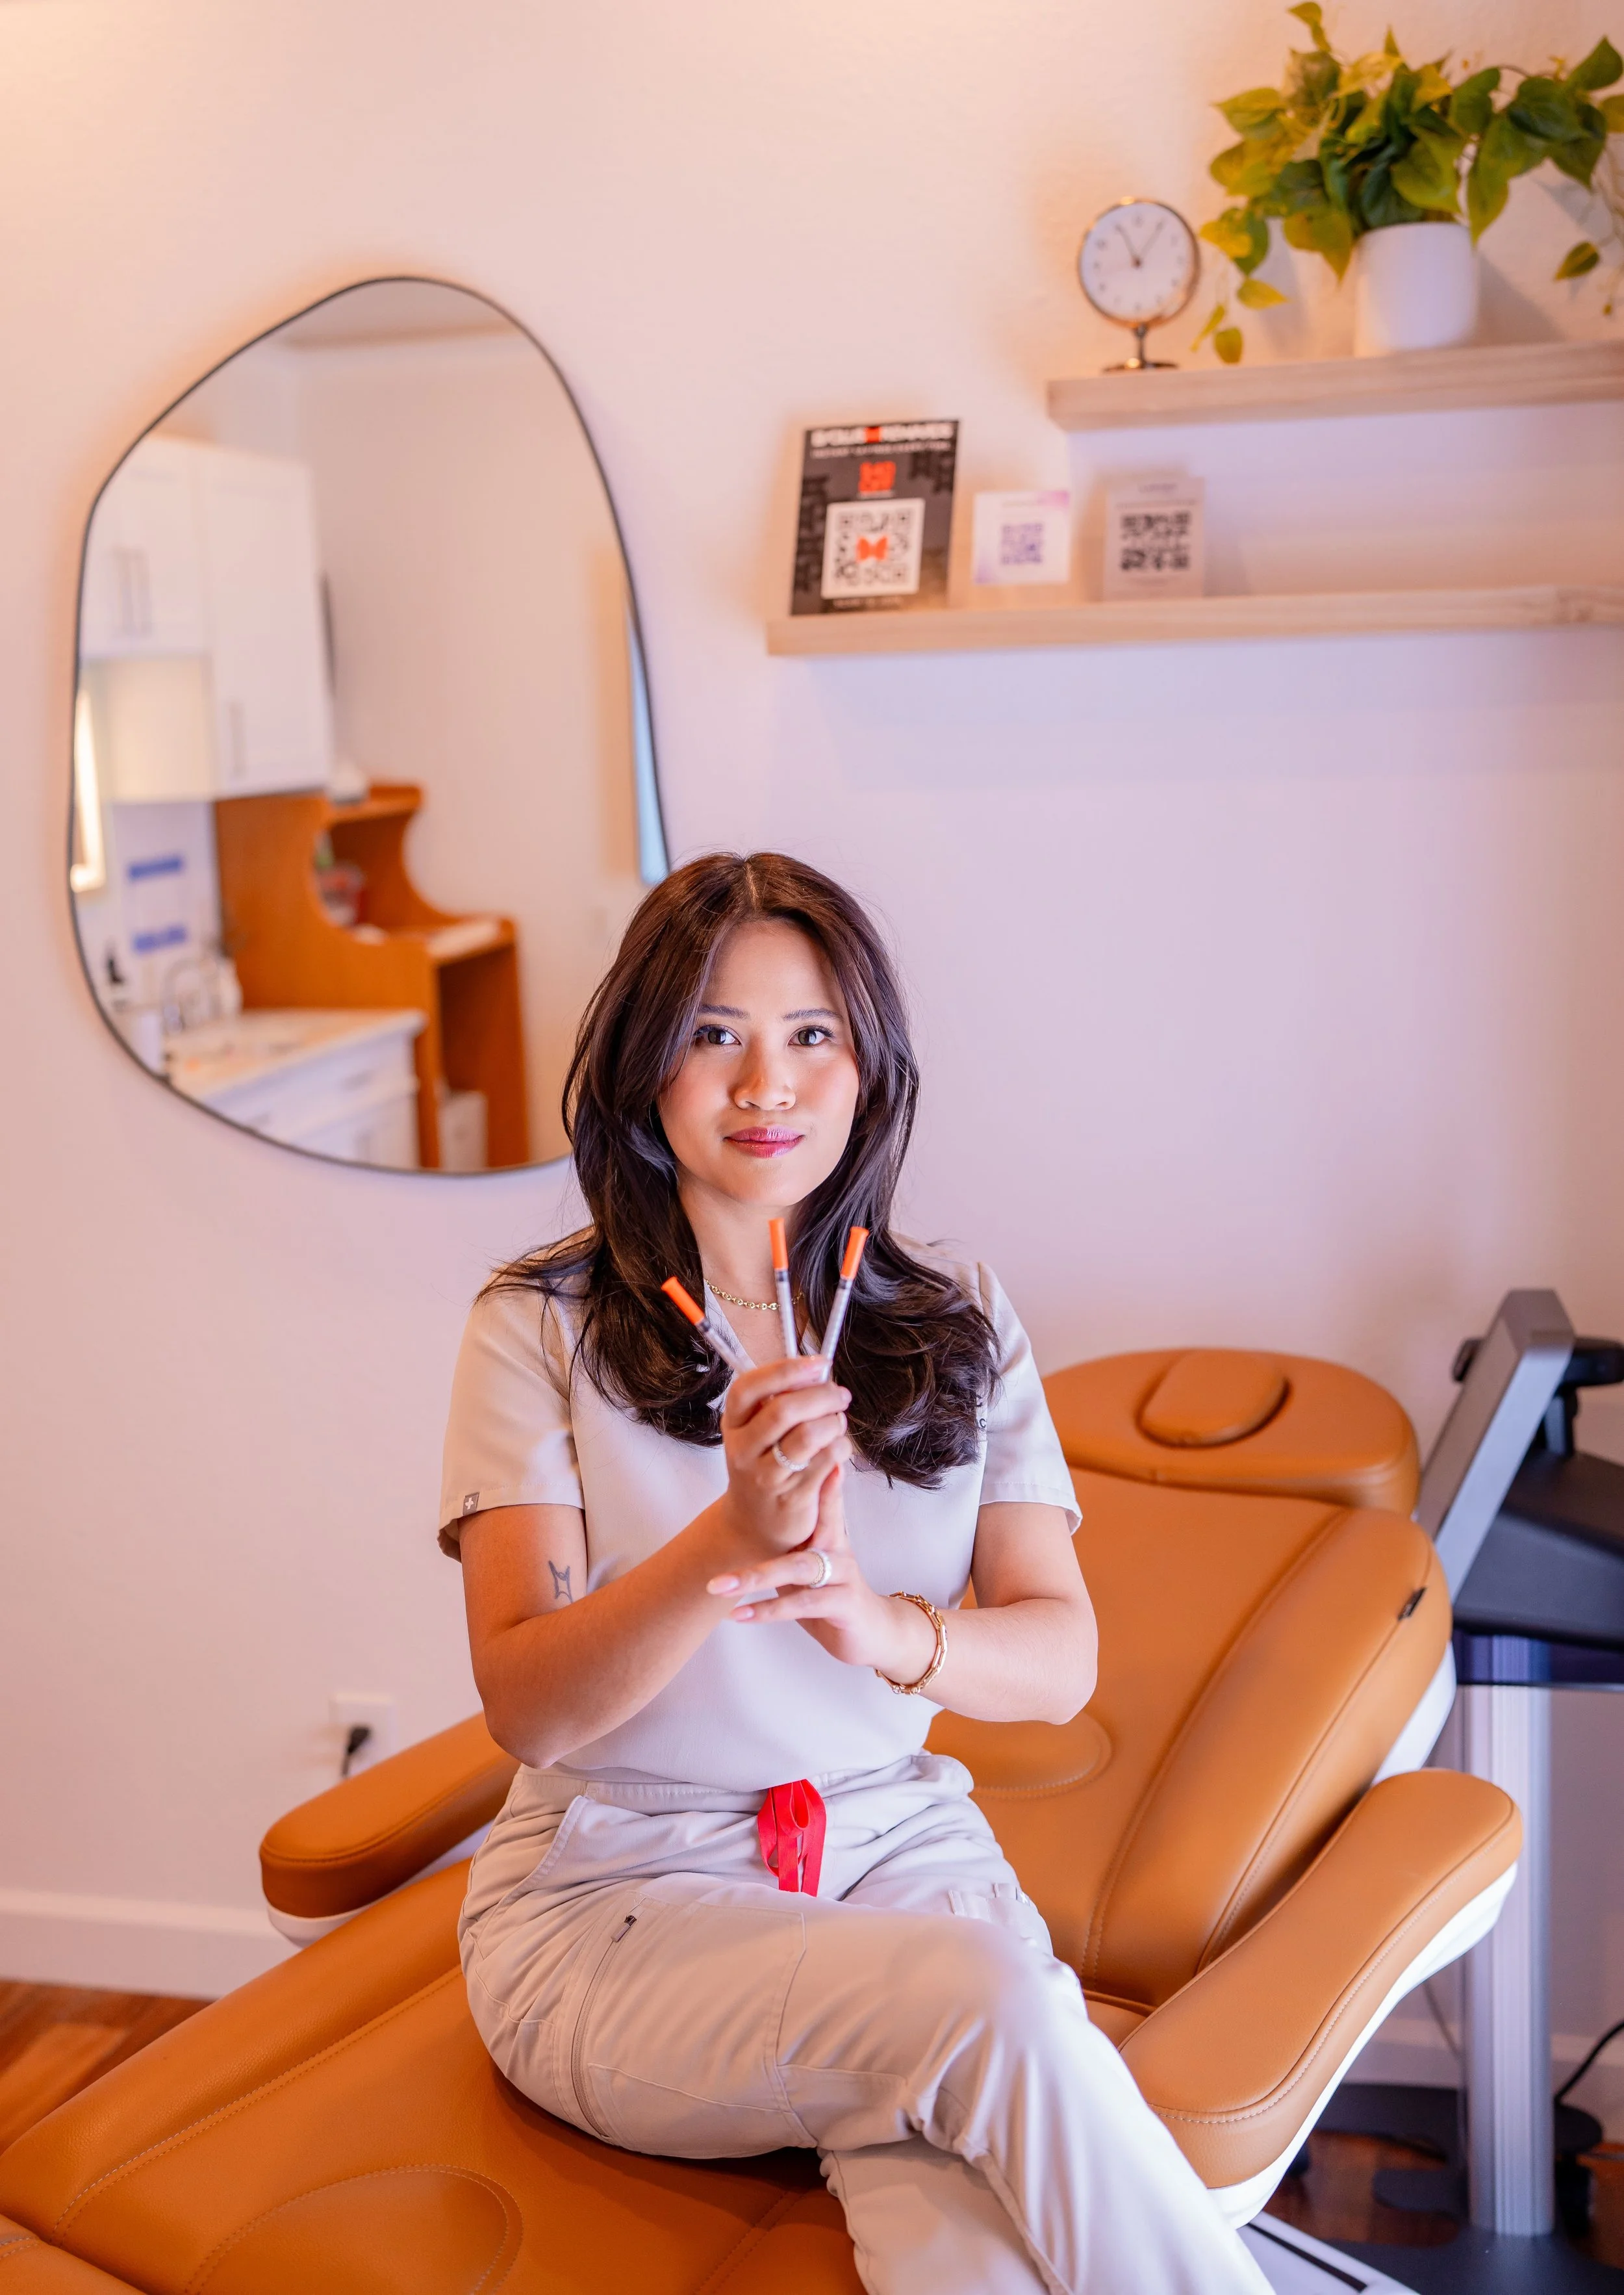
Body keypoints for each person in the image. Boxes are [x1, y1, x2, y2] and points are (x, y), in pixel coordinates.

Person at [441, 852, 1269, 2295]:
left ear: (866, 1067)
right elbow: (528, 1705)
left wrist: (880, 1626)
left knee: (979, 2254)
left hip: (897, 1849)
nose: (766, 1080)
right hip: (618, 1895)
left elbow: (1055, 1656)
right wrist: (727, 1548)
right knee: (984, 2000)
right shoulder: (540, 1327)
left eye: (811, 1034)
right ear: (646, 1064)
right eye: (715, 1032)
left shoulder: (952, 1320)